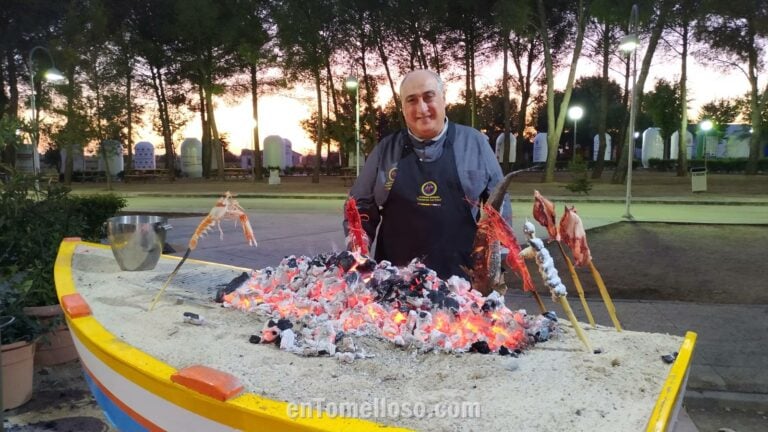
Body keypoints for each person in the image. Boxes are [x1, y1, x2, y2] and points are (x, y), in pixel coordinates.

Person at [344, 69, 512, 280]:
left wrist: (496, 265)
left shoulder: (473, 143)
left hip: (462, 282)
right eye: (411, 100)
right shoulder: (385, 150)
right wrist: (358, 253)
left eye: (428, 97)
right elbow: (360, 208)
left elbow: (499, 206)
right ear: (403, 108)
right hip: (395, 283)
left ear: (443, 98)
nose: (421, 108)